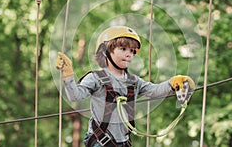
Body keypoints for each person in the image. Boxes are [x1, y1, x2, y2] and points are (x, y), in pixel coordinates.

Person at [56, 26, 195, 147]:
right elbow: (75, 96)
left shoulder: (133, 81)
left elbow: (154, 90)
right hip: (100, 142)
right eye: (123, 49)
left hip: (124, 142)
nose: (129, 54)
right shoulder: (95, 78)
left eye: (133, 51)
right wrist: (68, 76)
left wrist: (172, 83)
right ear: (105, 51)